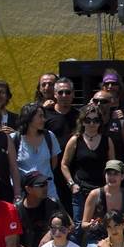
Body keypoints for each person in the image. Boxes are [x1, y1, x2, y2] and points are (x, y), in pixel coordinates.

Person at [60, 104, 115, 227]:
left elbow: (112, 165)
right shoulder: (75, 140)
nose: (92, 123)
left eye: (96, 120)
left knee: (101, 225)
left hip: (101, 189)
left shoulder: (107, 140)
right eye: (88, 120)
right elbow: (64, 164)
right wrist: (71, 184)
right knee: (79, 226)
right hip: (80, 189)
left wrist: (110, 185)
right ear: (82, 122)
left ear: (100, 122)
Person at [16, 171, 65, 247]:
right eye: (41, 185)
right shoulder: (16, 210)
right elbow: (15, 244)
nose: (45, 187)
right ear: (28, 189)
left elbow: (69, 226)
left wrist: (50, 233)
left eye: (46, 184)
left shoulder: (53, 204)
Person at [81, 160, 124, 247]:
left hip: (120, 239)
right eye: (109, 174)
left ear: (122, 176)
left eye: (115, 174)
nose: (111, 177)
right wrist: (90, 225)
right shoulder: (95, 195)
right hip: (97, 239)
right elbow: (83, 224)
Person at [45, 77, 81, 212]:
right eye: (60, 92)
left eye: (68, 92)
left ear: (73, 94)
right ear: (55, 94)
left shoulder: (80, 116)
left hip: (75, 171)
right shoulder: (46, 115)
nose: (64, 95)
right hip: (53, 171)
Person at [14, 103, 61, 200]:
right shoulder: (15, 139)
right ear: (29, 118)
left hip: (48, 191)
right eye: (40, 116)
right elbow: (12, 167)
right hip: (25, 193)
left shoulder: (49, 136)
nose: (44, 119)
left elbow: (54, 162)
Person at [91, 89, 124, 167]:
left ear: (111, 103)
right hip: (94, 168)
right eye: (95, 101)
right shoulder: (88, 123)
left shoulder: (120, 122)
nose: (99, 104)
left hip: (115, 169)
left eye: (104, 101)